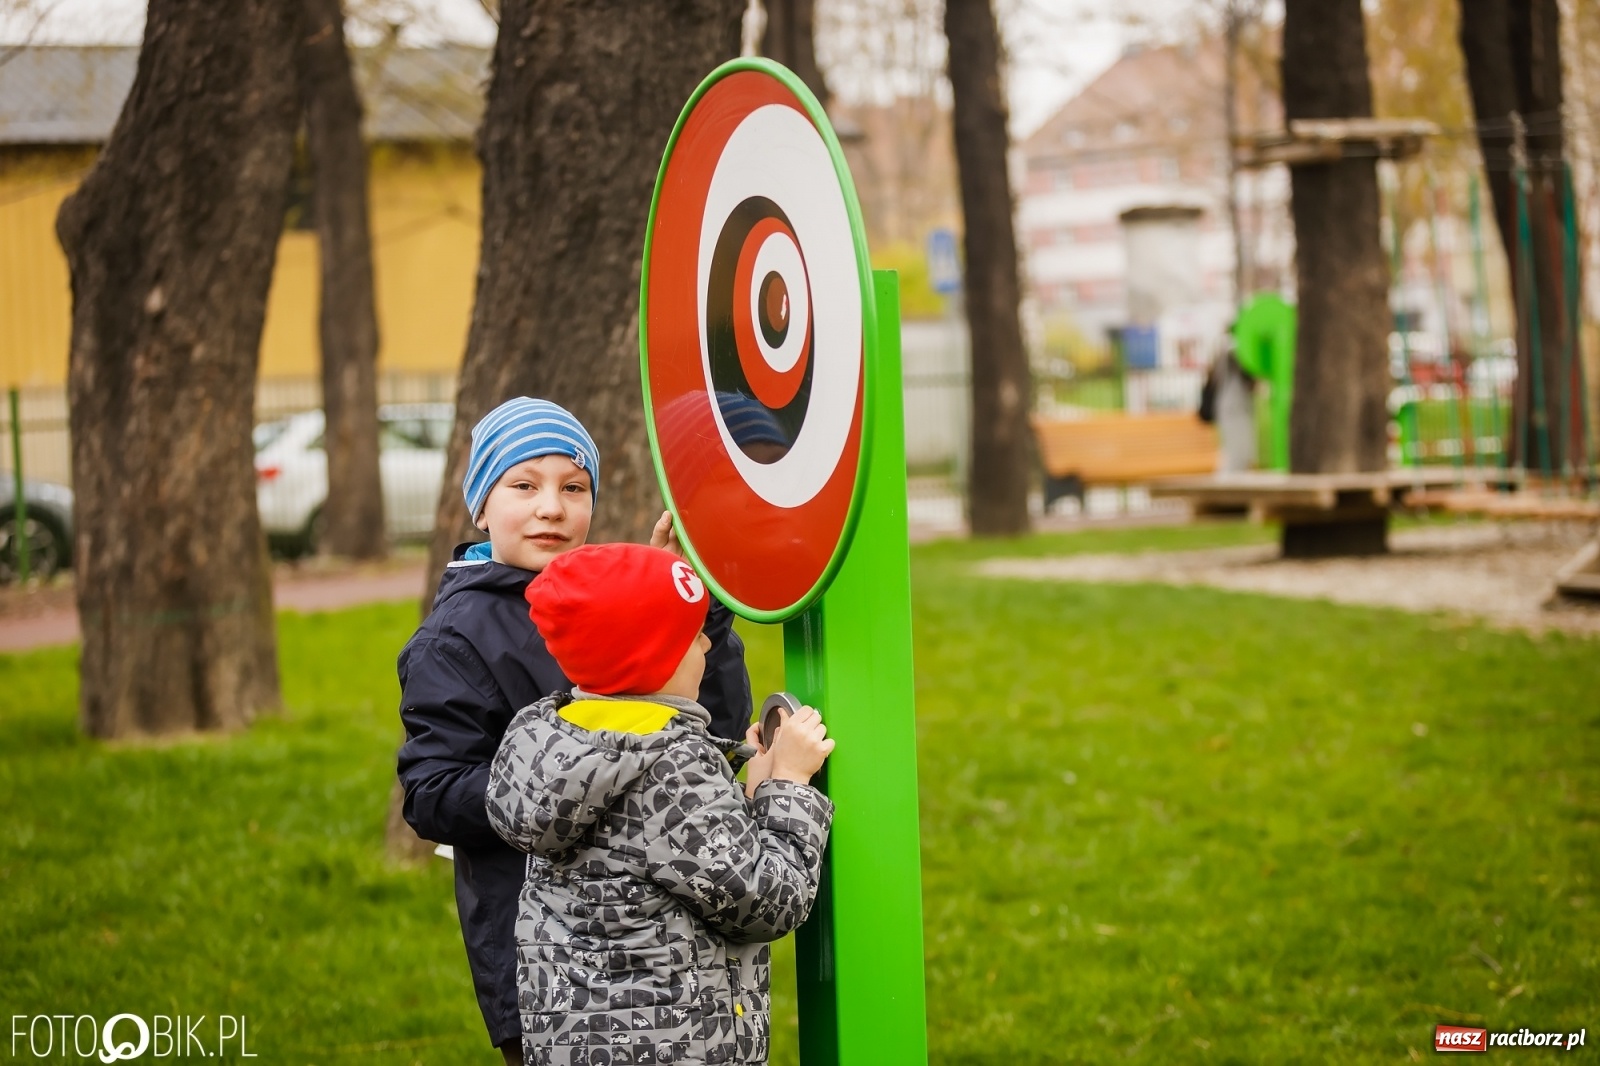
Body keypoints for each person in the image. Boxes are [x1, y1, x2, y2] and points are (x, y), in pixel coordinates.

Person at [396, 397, 753, 1065]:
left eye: (573, 487)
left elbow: (718, 734)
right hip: (545, 967)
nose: (551, 507)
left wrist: (684, 613)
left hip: (657, 949)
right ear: (480, 504)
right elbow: (431, 791)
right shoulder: (456, 636)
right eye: (523, 485)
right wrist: (570, 788)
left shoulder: (612, 600)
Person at [488, 543, 835, 1066]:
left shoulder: (553, 742)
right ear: (653, 659)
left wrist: (746, 796)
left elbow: (658, 852)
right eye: (691, 634)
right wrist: (788, 784)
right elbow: (766, 901)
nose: (704, 642)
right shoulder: (671, 770)